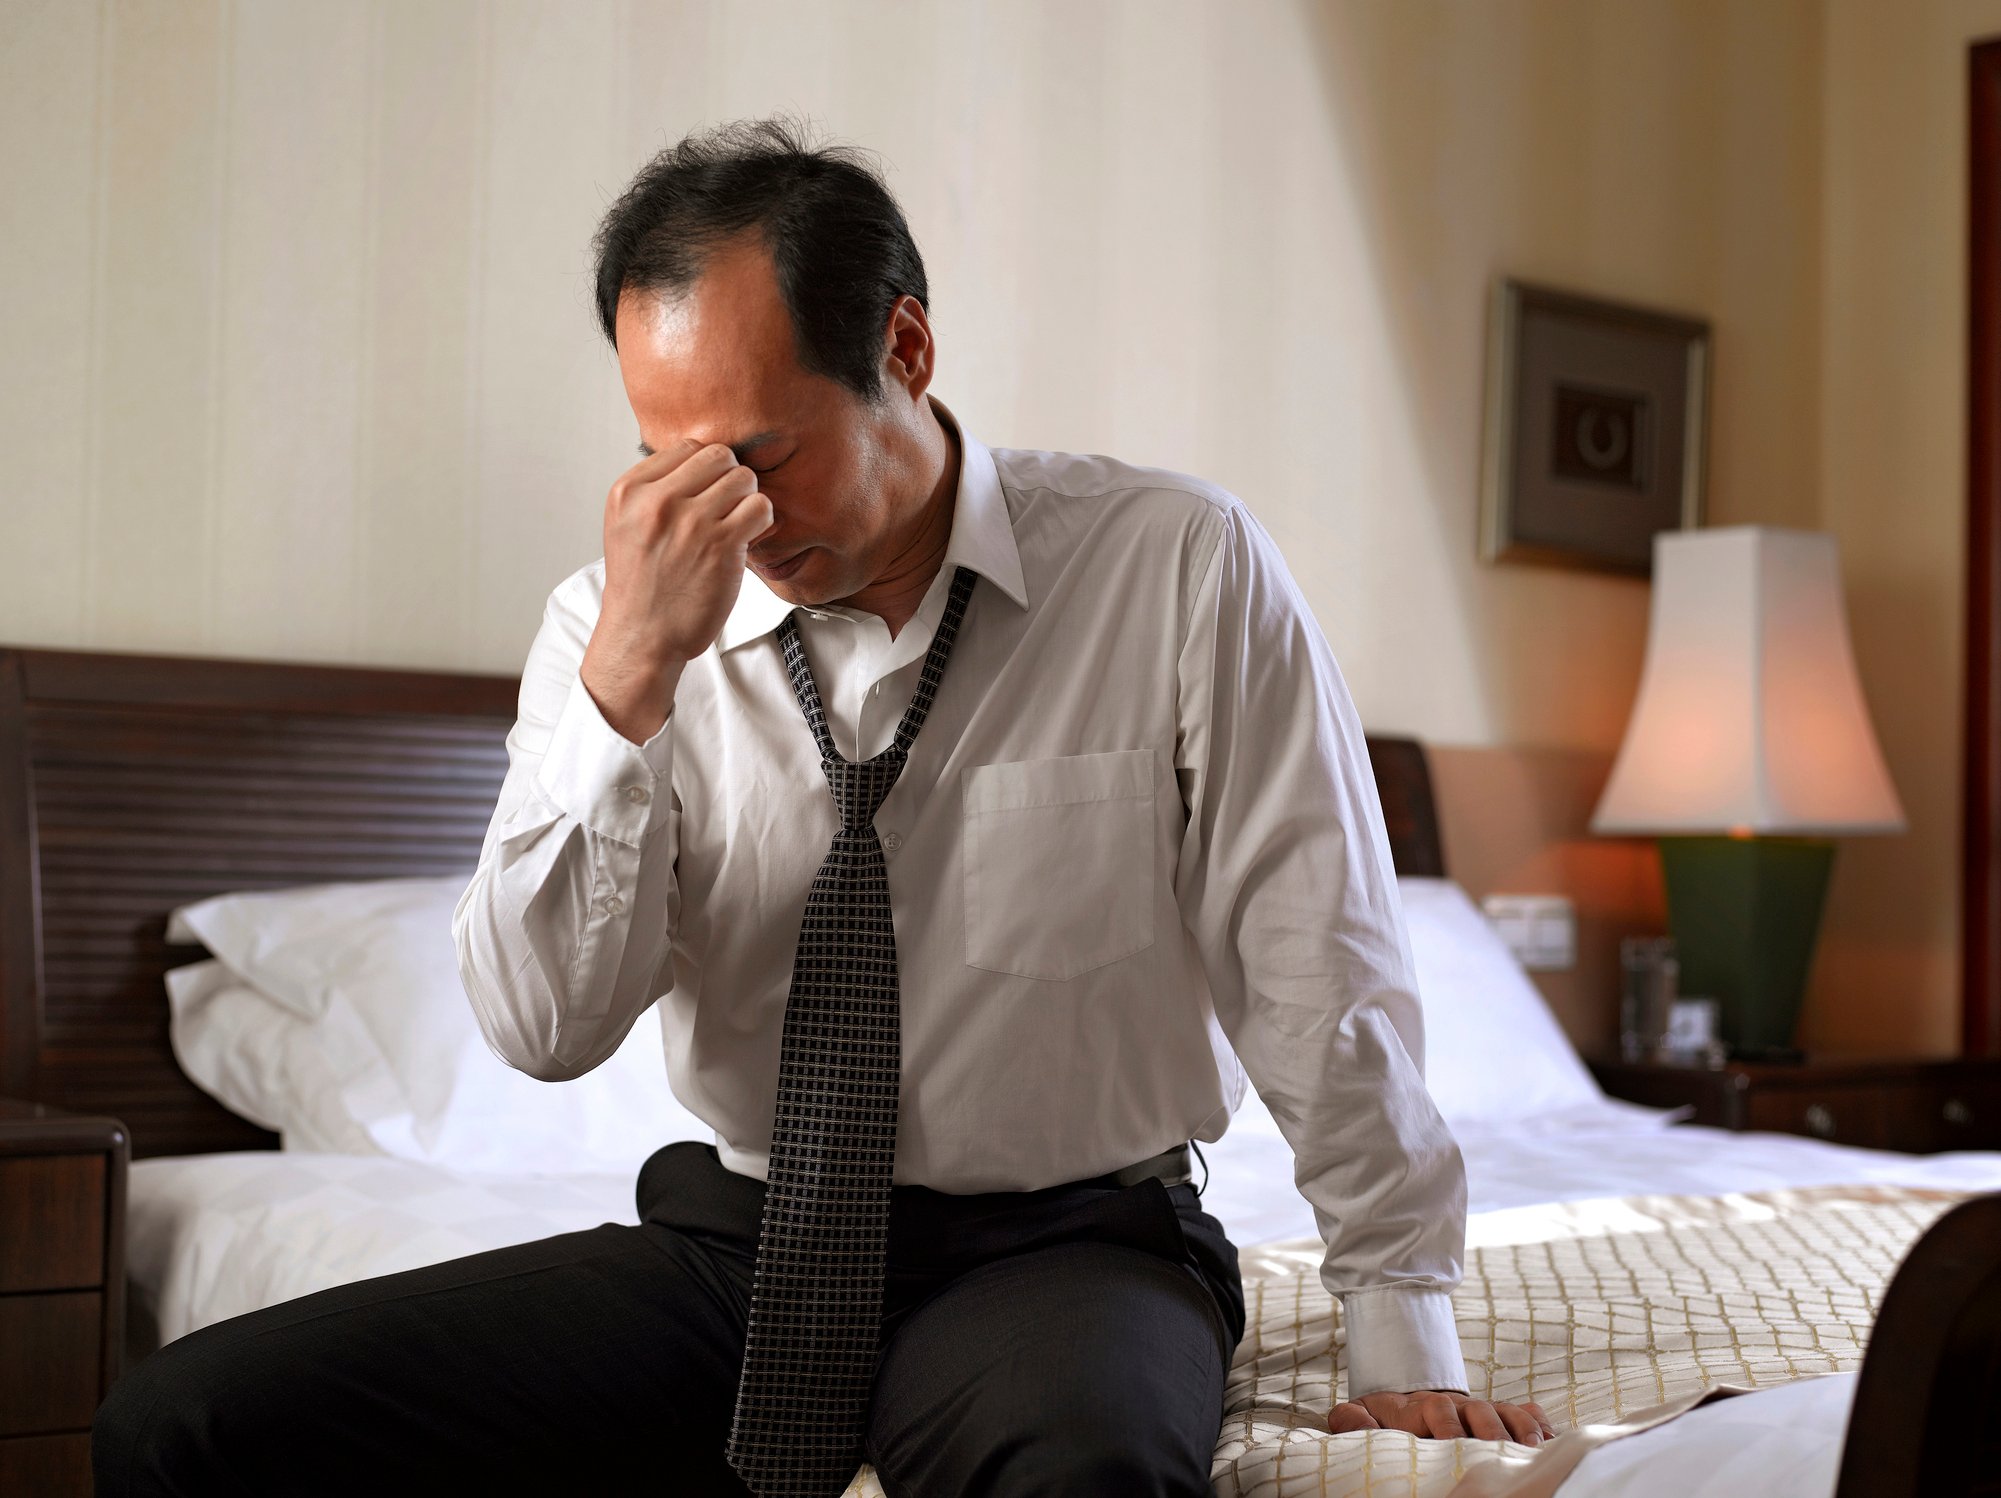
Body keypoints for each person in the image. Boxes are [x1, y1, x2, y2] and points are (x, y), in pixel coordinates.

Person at [93, 115, 1552, 1497]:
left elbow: (1315, 958)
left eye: (758, 457)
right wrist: (625, 687)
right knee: (183, 1428)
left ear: (903, 348)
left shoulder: (1178, 568)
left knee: (1087, 1475)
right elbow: (544, 1030)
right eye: (669, 463)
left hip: (1065, 1246)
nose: (724, 516)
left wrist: (1401, 1330)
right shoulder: (607, 630)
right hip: (740, 1243)